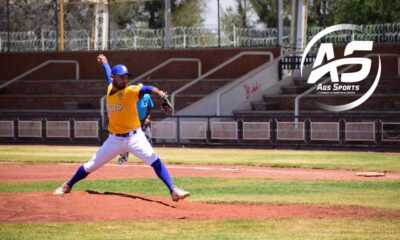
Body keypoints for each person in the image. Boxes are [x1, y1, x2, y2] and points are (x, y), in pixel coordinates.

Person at [54, 54, 190, 202]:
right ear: (114, 78)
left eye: (126, 77)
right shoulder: (109, 88)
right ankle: (68, 185)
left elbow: (147, 88)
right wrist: (105, 63)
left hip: (135, 137)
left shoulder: (130, 91)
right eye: (121, 77)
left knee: (155, 160)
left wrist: (159, 93)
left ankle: (173, 190)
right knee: (90, 166)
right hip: (114, 140)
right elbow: (108, 74)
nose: (125, 79)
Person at [118, 85, 154, 164]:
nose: (140, 92)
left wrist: (147, 117)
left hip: (142, 121)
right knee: (126, 139)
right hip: (131, 122)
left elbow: (150, 106)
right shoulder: (132, 96)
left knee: (149, 137)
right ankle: (123, 158)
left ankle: (151, 158)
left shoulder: (147, 96)